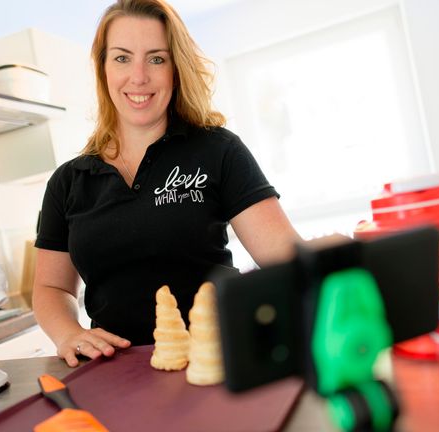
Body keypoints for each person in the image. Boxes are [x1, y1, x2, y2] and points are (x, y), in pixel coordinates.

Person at [33, 0, 301, 367]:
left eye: (156, 58)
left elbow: (285, 258)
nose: (139, 76)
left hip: (216, 360)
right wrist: (69, 333)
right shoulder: (68, 182)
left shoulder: (217, 150)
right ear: (103, 68)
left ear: (176, 69)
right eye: (122, 58)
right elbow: (51, 287)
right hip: (116, 374)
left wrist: (334, 257)